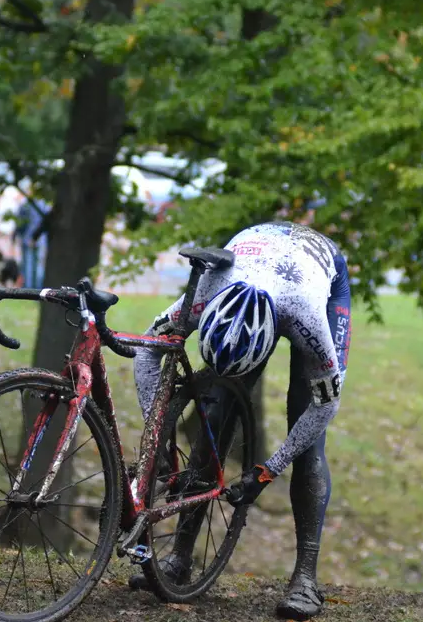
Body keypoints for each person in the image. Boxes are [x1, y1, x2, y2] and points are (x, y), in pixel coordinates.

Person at [130, 221, 352, 622]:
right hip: (253, 258)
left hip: (317, 270)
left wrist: (270, 470)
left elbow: (325, 405)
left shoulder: (306, 316)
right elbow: (146, 352)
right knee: (214, 414)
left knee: (305, 427)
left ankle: (305, 578)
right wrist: (157, 439)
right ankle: (180, 557)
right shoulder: (205, 292)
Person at [11, 198, 49, 288]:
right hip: (41, 240)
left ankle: (27, 289)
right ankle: (38, 289)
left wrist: (15, 236)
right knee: (39, 267)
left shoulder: (25, 205)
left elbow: (19, 224)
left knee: (27, 266)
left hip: (27, 239)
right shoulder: (44, 204)